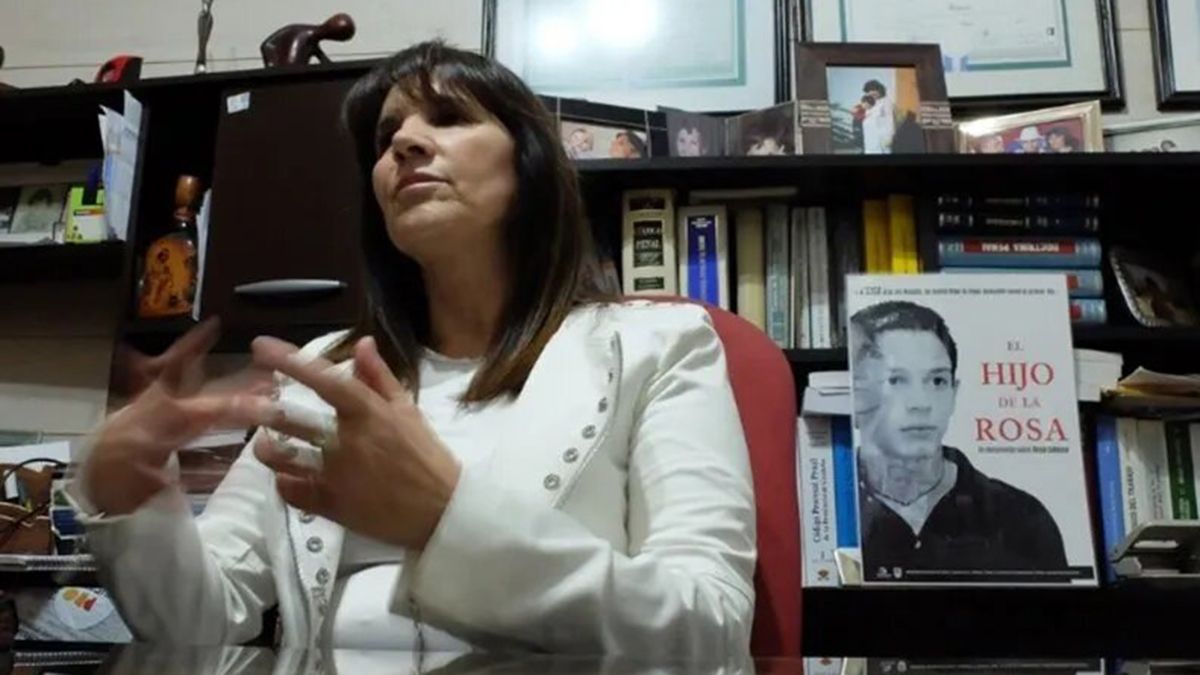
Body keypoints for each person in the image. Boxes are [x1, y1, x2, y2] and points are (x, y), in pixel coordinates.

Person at [69, 41, 755, 656]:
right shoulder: (322, 372)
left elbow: (710, 625)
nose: (404, 143)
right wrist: (135, 490)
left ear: (530, 164)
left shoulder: (658, 345)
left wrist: (446, 518)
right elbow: (201, 617)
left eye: (449, 118)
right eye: (387, 135)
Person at [849, 300, 1067, 578]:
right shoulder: (832, 504)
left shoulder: (1021, 517)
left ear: (954, 393)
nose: (920, 403)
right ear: (857, 395)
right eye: (897, 380)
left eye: (937, 381)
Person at [861, 79, 895, 154]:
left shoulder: (886, 102)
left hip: (882, 141)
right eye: (869, 92)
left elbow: (890, 120)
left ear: (879, 90)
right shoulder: (870, 104)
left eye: (873, 91)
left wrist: (889, 138)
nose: (871, 94)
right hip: (870, 141)